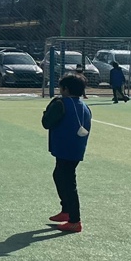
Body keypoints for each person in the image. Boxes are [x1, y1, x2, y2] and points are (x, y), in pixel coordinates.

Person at [41, 73, 91, 233]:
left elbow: (46, 123)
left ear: (66, 89)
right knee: (59, 175)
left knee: (68, 182)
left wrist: (48, 110)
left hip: (64, 147)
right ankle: (66, 210)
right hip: (76, 148)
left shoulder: (60, 103)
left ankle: (75, 220)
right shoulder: (84, 106)